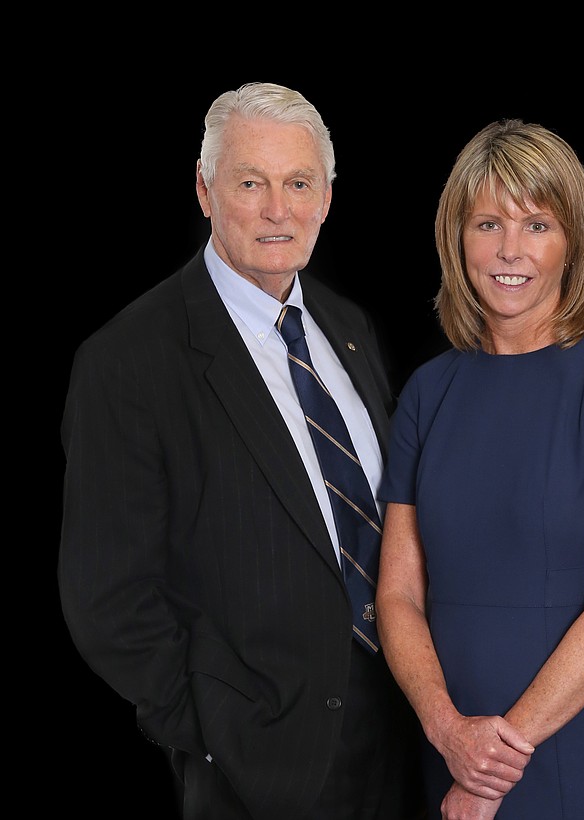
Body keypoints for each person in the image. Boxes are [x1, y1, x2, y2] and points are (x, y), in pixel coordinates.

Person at [58, 82, 426, 820]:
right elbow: (107, 599)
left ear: (326, 196)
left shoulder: (348, 326)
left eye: (298, 183)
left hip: (400, 737)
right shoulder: (130, 360)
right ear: (204, 189)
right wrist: (213, 731)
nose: (277, 209)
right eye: (250, 182)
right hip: (259, 767)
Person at [375, 118, 584, 819]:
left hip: (571, 757)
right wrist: (448, 732)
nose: (509, 250)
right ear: (457, 237)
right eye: (487, 223)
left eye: (537, 224)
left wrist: (488, 769)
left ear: (573, 240)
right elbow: (396, 594)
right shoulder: (427, 392)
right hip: (445, 749)